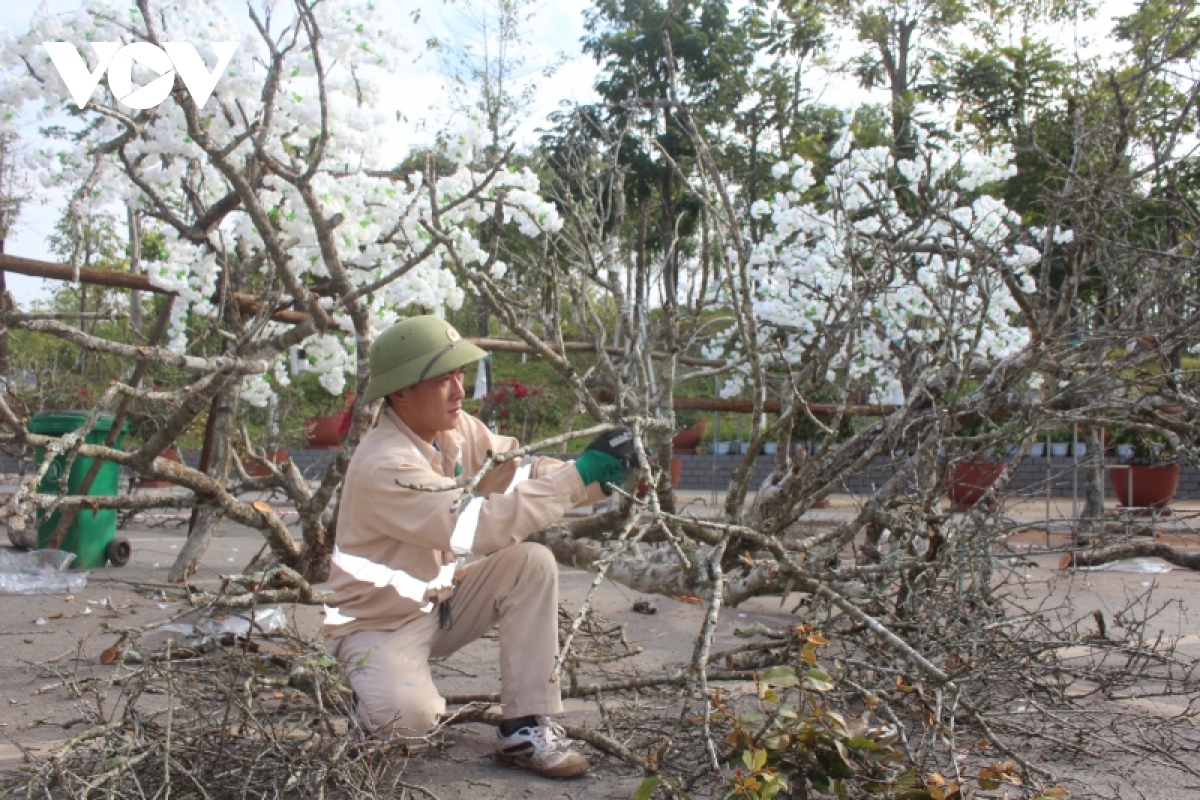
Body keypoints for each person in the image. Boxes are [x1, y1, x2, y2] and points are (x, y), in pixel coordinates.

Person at [323, 315, 635, 778]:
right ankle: (372, 701)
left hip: (443, 599)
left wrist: (597, 479)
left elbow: (519, 471)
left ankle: (525, 728)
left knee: (532, 564)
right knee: (408, 724)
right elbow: (473, 527)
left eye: (459, 374)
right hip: (378, 624)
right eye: (442, 379)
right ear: (400, 392)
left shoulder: (457, 430)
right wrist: (579, 476)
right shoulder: (384, 463)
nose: (458, 390)